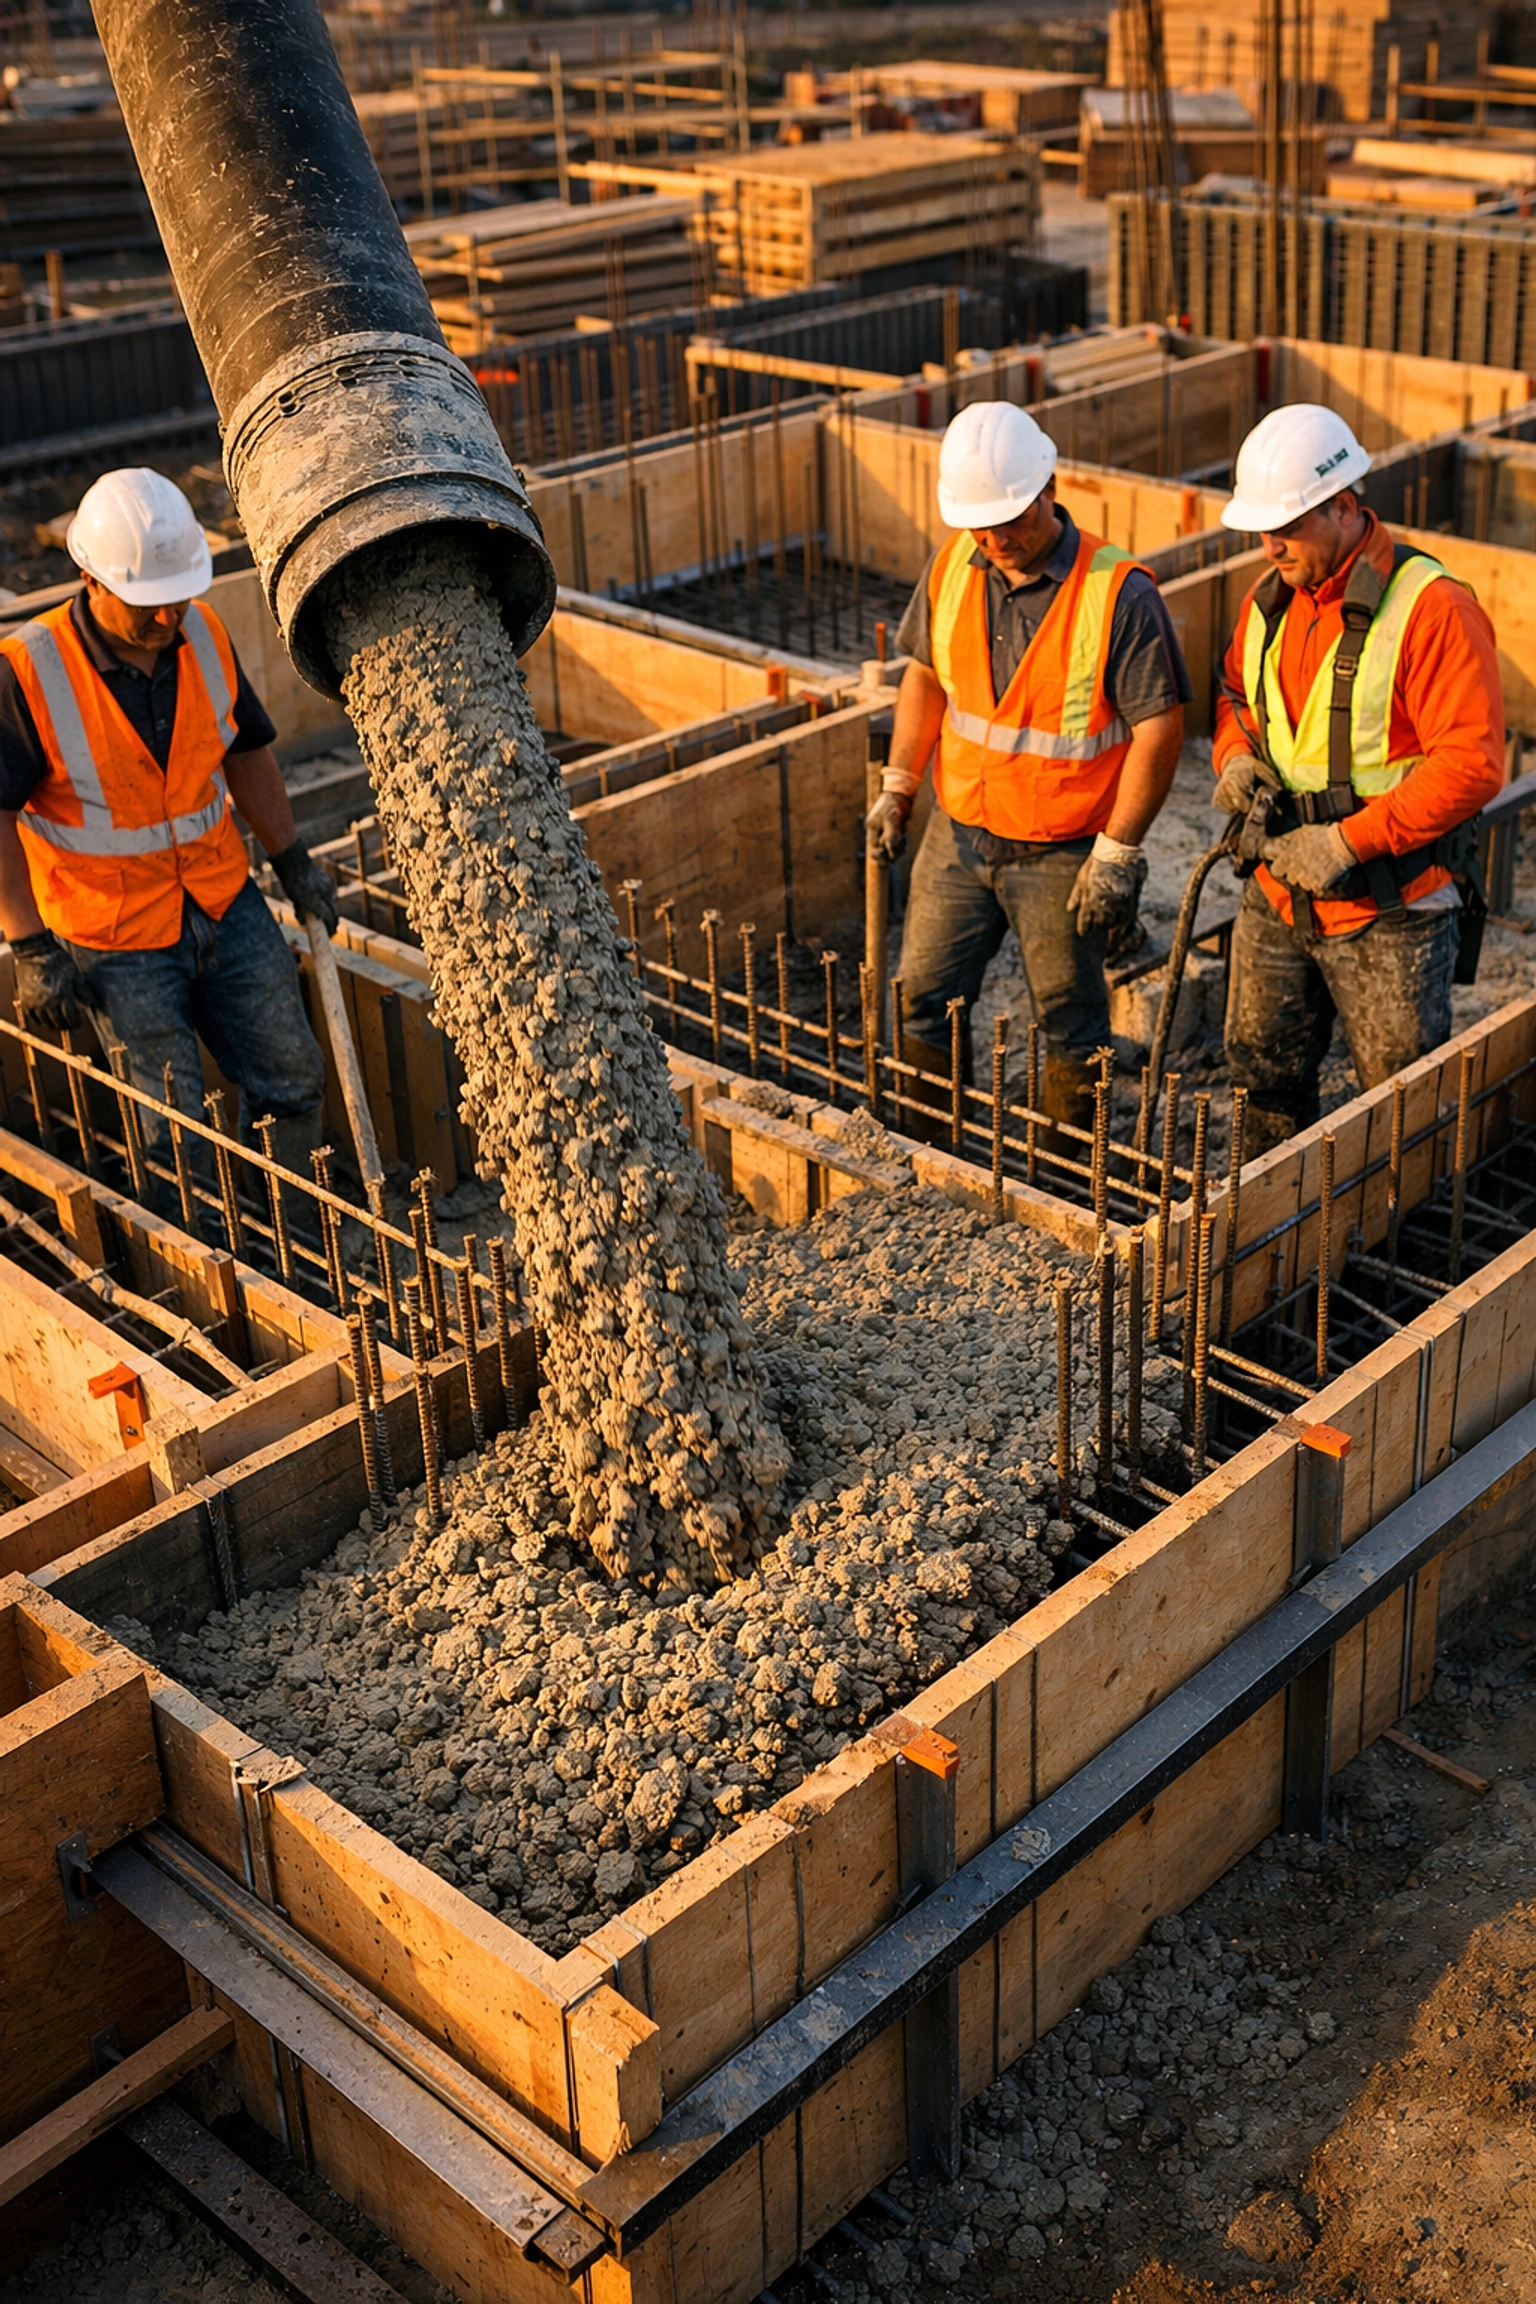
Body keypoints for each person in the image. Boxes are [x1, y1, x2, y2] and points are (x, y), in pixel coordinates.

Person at [0, 466, 337, 1186]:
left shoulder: (204, 629)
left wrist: (292, 858)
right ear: (91, 580)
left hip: (222, 897)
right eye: (147, 603)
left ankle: (298, 1228)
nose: (167, 617)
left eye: (177, 597)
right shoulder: (27, 669)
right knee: (174, 1132)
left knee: (293, 1077)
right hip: (112, 936)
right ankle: (220, 1268)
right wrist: (28, 946)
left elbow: (245, 751)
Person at [867, 400, 1190, 1131]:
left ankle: (1071, 1170)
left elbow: (1160, 727)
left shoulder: (1119, 592)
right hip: (959, 834)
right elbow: (924, 674)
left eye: (1010, 517)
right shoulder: (955, 562)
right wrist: (899, 784)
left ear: (1049, 486)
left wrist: (1118, 850)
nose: (995, 537)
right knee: (922, 992)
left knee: (1070, 1019)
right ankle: (929, 1141)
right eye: (980, 522)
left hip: (1063, 850)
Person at [1212, 405, 1504, 1155]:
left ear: (1345, 505)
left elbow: (1472, 763)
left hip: (1390, 906)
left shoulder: (1432, 609)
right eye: (1262, 530)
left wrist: (1348, 841)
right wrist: (1235, 757)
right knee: (1262, 1081)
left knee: (1400, 1109)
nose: (1269, 545)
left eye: (1288, 526)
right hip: (1278, 891)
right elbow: (1239, 698)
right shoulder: (1269, 600)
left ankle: (1392, 1251)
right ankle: (1270, 1244)